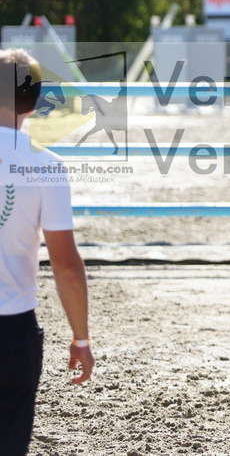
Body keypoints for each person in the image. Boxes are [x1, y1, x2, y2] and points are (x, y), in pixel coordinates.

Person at [0, 49, 93, 456]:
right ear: (35, 103)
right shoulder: (47, 166)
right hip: (13, 332)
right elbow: (66, 265)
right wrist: (81, 337)